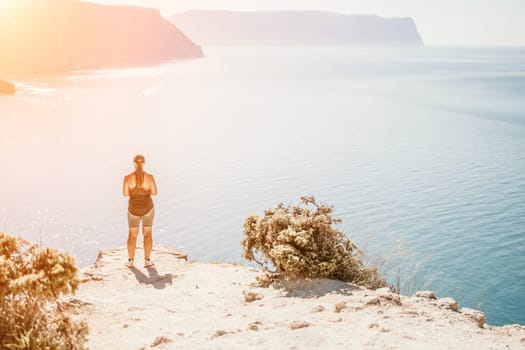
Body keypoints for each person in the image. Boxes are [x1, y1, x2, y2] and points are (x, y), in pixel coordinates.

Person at [123, 154, 158, 268]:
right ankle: (147, 261)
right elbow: (155, 192)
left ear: (134, 163)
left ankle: (130, 261)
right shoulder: (150, 177)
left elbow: (125, 194)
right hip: (148, 209)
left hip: (133, 210)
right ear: (144, 163)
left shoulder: (127, 178)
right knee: (147, 234)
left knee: (132, 235)